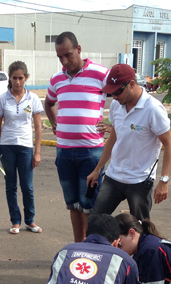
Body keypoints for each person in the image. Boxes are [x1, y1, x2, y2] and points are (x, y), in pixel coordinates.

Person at [88, 64, 171, 221]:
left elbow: (169, 145)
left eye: (117, 91)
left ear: (132, 84)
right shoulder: (116, 105)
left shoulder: (153, 109)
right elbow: (114, 138)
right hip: (114, 176)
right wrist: (97, 169)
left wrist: (164, 180)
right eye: (111, 92)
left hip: (139, 180)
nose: (114, 96)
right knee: (95, 221)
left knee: (140, 229)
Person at [43, 32, 108, 242]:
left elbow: (124, 95)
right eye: (59, 57)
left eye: (68, 55)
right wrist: (55, 124)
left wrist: (112, 125)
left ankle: (93, 249)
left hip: (91, 152)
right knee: (72, 204)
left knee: (89, 206)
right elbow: (49, 103)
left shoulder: (100, 74)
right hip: (64, 152)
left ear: (79, 49)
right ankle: (79, 247)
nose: (64, 61)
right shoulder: (56, 79)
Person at [0, 61, 44, 235]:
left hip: (26, 147)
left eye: (21, 78)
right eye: (14, 78)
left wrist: (37, 152)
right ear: (10, 78)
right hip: (7, 147)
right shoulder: (2, 99)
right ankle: (15, 221)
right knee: (10, 185)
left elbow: (38, 127)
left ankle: (30, 220)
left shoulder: (33, 98)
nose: (17, 82)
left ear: (26, 78)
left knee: (27, 186)